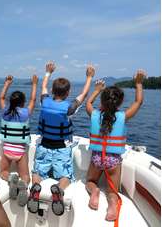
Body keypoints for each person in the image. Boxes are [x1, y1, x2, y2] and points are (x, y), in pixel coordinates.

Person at [28, 61, 95, 216]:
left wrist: (47, 73)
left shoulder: (44, 101)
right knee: (66, 176)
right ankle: (59, 189)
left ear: (53, 90)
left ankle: (35, 187)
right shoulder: (69, 108)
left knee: (37, 171)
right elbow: (83, 95)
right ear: (67, 93)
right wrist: (89, 77)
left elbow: (43, 87)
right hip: (61, 148)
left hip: (44, 145)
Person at [85, 70, 146, 224]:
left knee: (90, 182)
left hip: (97, 158)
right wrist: (138, 83)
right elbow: (138, 102)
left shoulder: (94, 114)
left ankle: (94, 192)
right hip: (113, 161)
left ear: (103, 101)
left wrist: (96, 90)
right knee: (112, 191)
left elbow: (88, 104)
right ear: (119, 102)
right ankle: (112, 204)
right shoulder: (123, 117)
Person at [0, 74, 38, 206]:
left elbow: (1, 97)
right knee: (25, 175)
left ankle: (10, 178)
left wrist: (7, 83)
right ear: (22, 102)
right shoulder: (26, 113)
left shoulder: (5, 111)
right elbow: (33, 99)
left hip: (7, 149)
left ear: (11, 101)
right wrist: (34, 84)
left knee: (3, 172)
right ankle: (24, 184)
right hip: (20, 151)